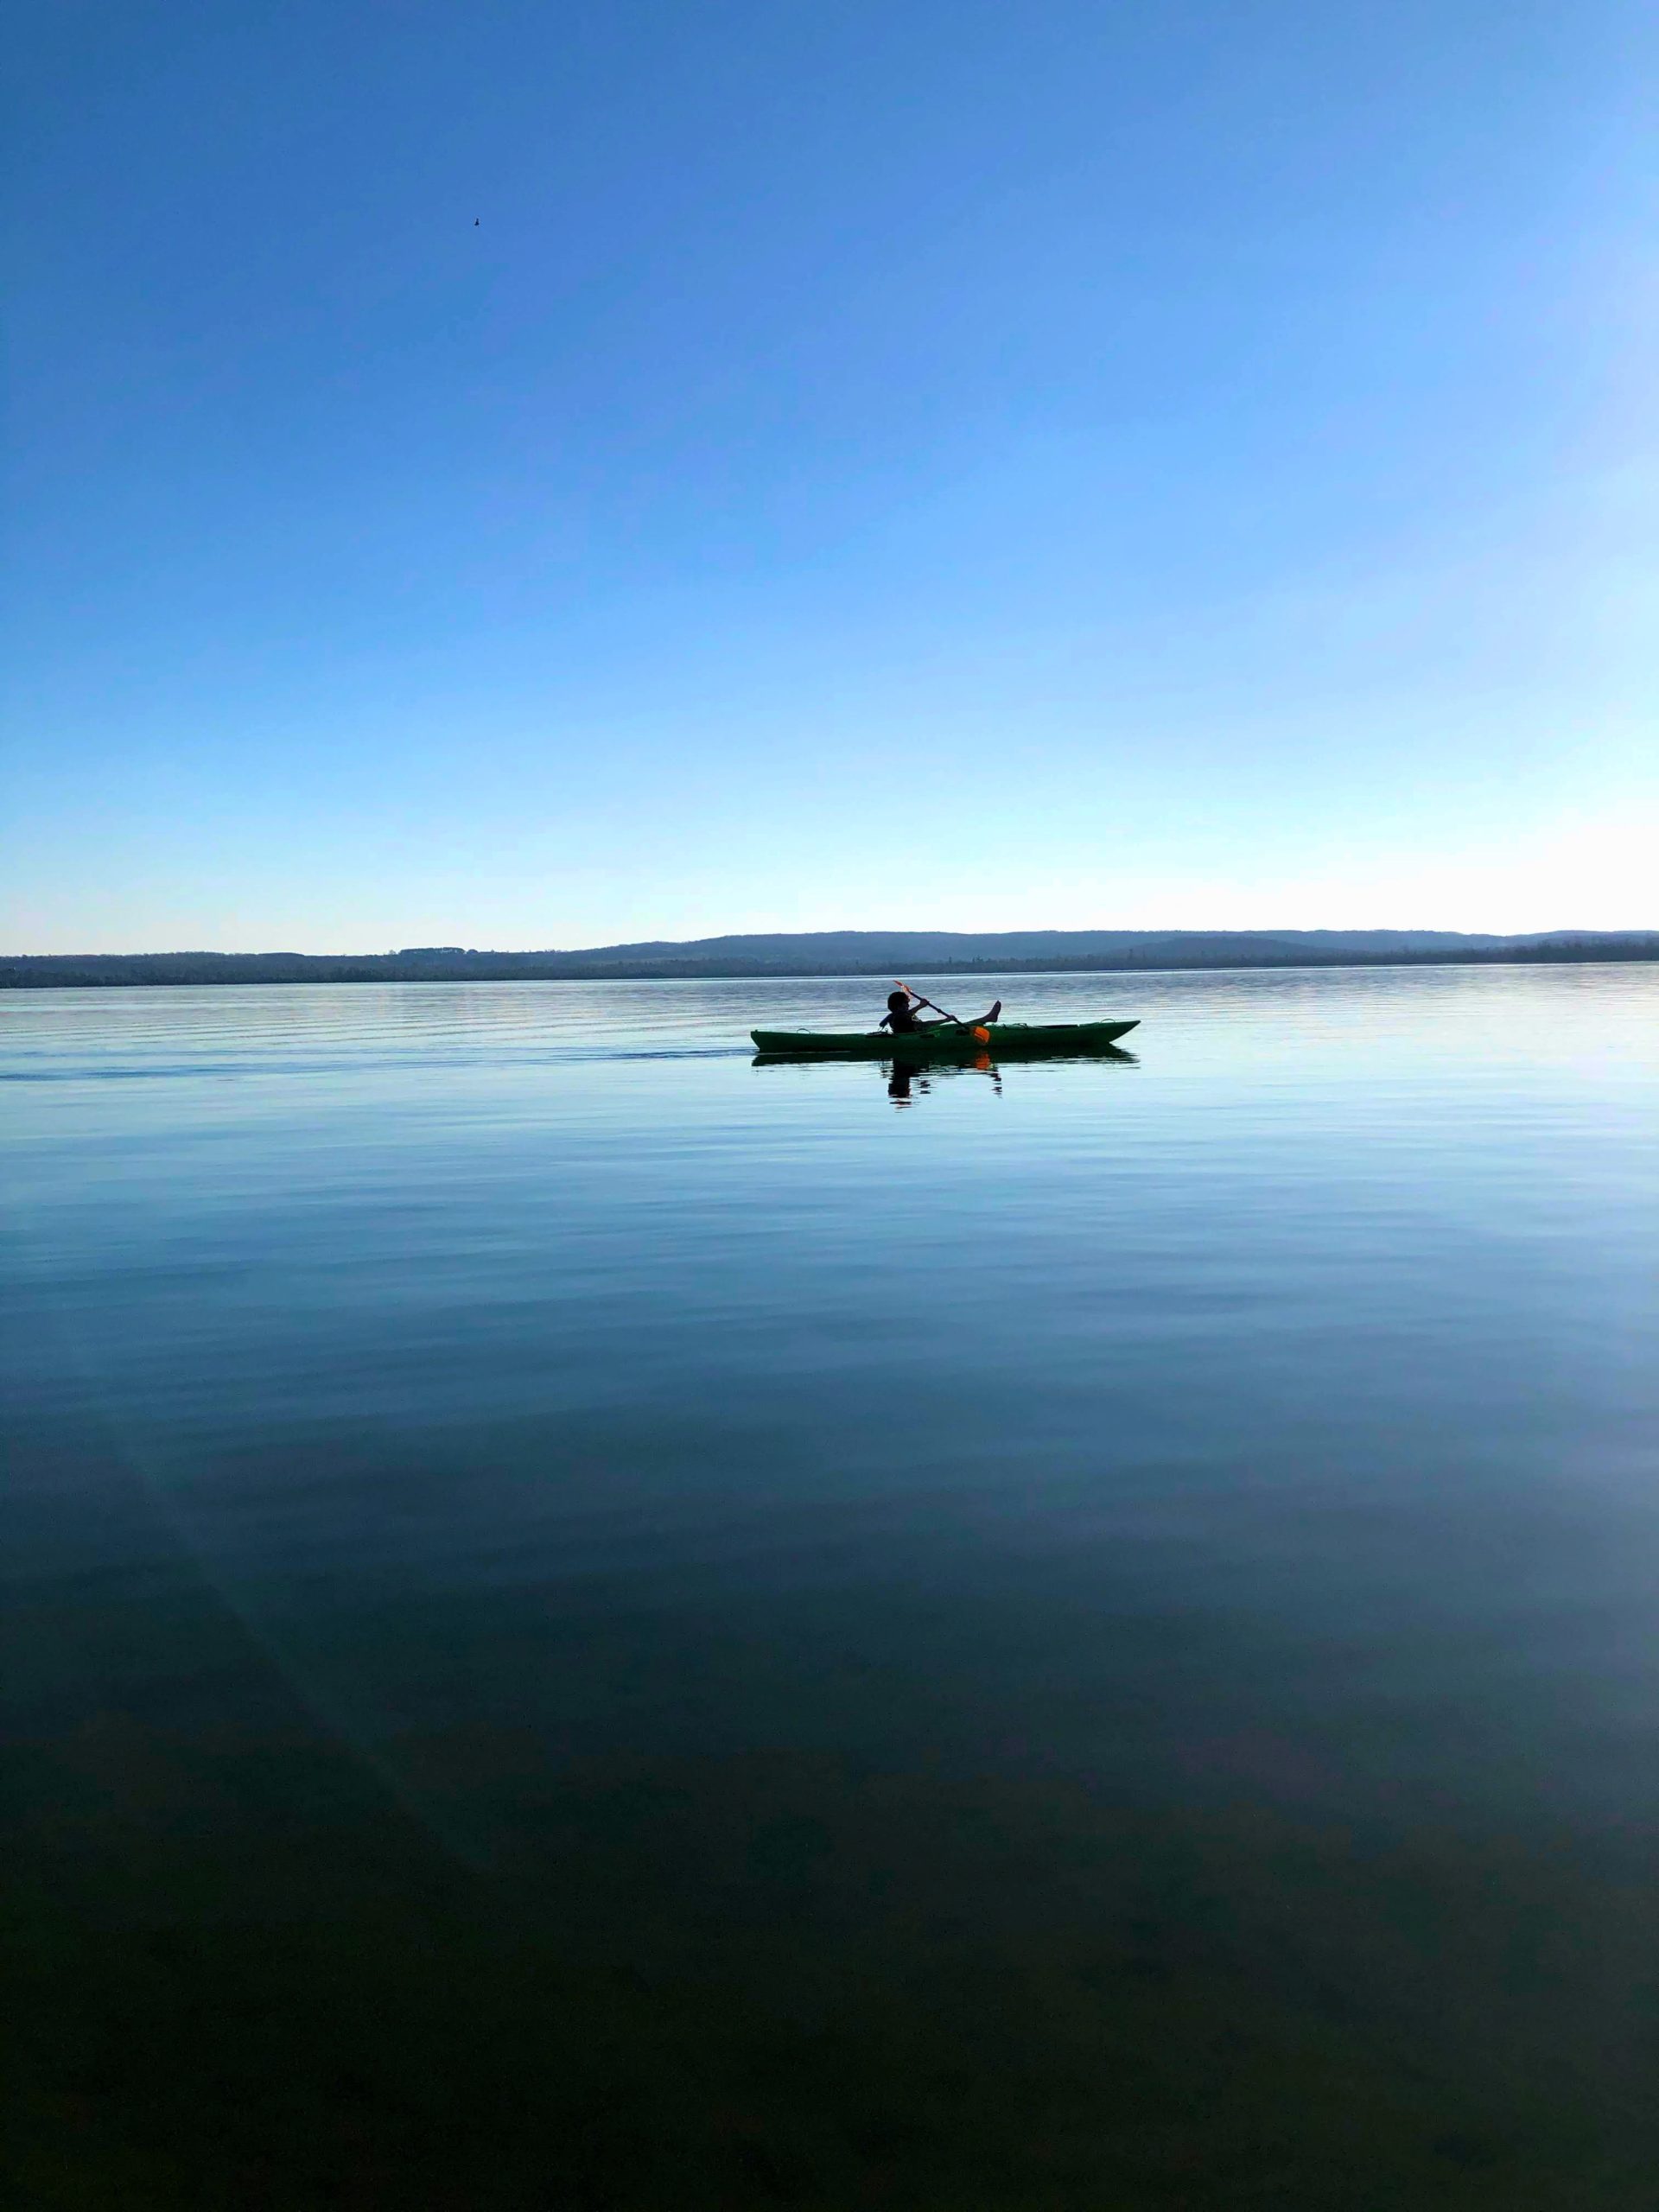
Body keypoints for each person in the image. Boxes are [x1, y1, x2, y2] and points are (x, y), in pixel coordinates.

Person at [880, 989, 1001, 1034]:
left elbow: (923, 1024)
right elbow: (925, 1025)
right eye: (905, 1003)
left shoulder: (902, 1016)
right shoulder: (898, 1017)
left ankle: (988, 1018)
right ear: (898, 1006)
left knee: (958, 1026)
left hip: (924, 1035)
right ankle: (989, 1018)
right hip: (918, 1038)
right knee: (959, 1028)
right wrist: (945, 1020)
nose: (908, 1005)